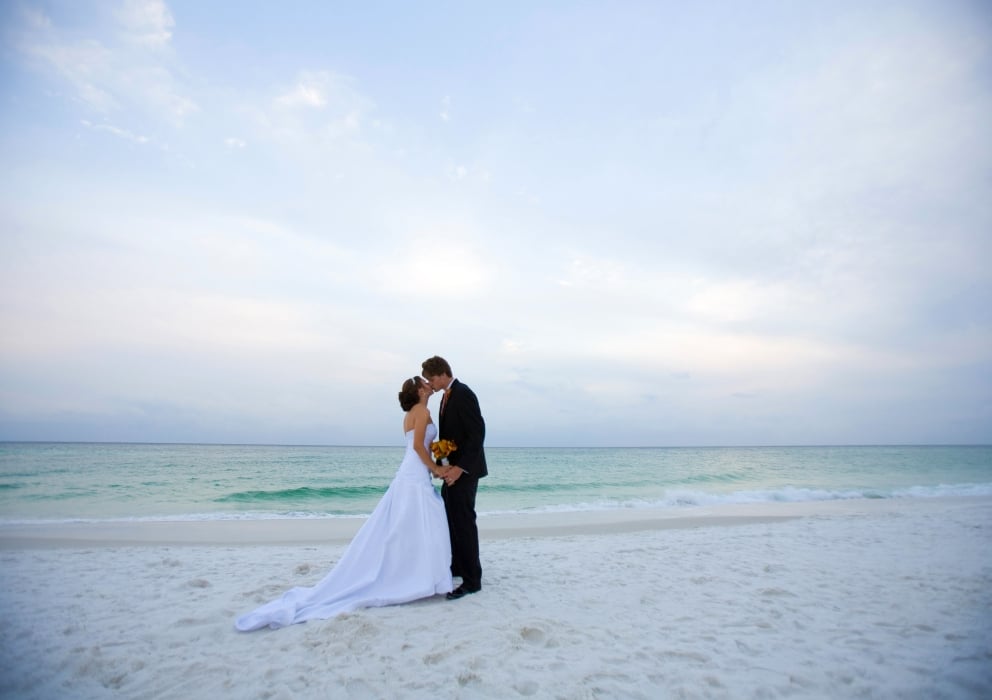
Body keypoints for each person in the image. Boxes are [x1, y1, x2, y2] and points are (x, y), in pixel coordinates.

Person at [234, 377, 453, 631]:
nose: (429, 385)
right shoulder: (422, 411)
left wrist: (436, 458)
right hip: (415, 473)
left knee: (408, 526)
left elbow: (419, 445)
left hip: (411, 472)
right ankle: (417, 578)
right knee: (419, 523)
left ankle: (416, 575)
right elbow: (417, 446)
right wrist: (436, 467)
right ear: (418, 390)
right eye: (425, 383)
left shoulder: (410, 414)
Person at [421, 355, 487, 600]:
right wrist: (443, 466)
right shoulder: (445, 398)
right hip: (452, 471)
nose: (431, 384)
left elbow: (477, 434)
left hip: (466, 471)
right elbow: (450, 438)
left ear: (441, 374)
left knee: (464, 524)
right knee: (452, 521)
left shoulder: (463, 393)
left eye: (431, 379)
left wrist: (460, 468)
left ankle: (472, 580)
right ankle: (459, 565)